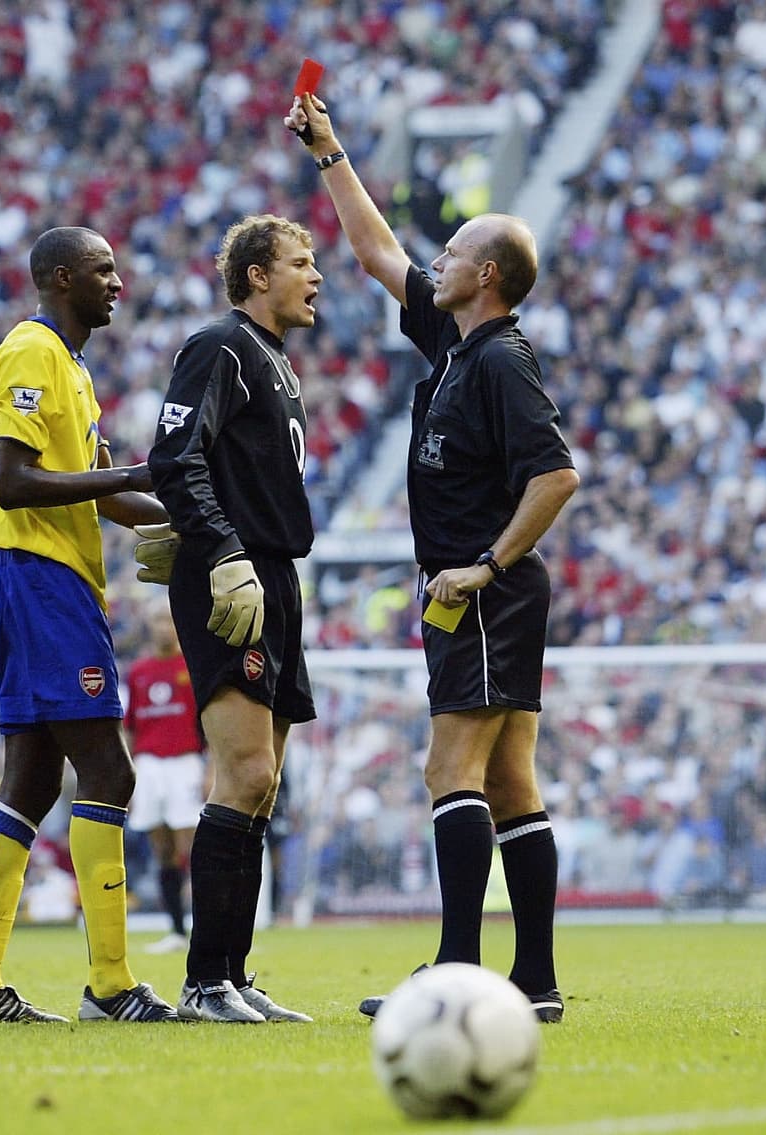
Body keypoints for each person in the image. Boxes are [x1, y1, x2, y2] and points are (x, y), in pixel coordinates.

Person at [285, 95, 580, 1024]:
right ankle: (535, 981)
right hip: (480, 591)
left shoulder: (500, 361)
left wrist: (485, 565)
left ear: (486, 275)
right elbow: (378, 253)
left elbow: (557, 476)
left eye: (451, 254)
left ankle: (457, 969)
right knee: (510, 780)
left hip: (484, 590)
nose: (435, 262)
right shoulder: (456, 342)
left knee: (449, 769)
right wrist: (330, 152)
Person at [0, 226, 178, 1024]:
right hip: (37, 574)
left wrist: (190, 517)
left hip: (43, 577)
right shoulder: (30, 351)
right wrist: (137, 472)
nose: (118, 282)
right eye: (103, 269)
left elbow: (104, 491)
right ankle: (111, 984)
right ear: (60, 277)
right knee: (108, 770)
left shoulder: (72, 368)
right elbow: (13, 481)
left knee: (35, 779)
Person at [143, 214, 321, 1023]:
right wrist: (218, 549)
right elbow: (173, 454)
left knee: (264, 782)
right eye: (300, 262)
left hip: (275, 572)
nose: (315, 276)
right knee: (243, 773)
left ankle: (234, 974)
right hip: (233, 572)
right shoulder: (220, 345)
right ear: (257, 274)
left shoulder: (277, 361)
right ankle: (204, 980)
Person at [124, 600, 205, 954]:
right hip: (149, 766)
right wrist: (128, 775)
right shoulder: (139, 671)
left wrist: (211, 768)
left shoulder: (192, 665)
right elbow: (130, 727)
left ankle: (208, 933)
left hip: (185, 761)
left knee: (193, 848)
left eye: (169, 621)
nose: (163, 627)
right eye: (158, 620)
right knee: (163, 851)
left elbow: (207, 723)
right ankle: (176, 930)